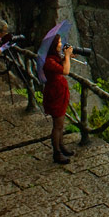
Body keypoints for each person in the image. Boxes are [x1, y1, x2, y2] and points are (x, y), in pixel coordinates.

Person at [43, 35, 74, 164]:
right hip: (55, 94)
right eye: (59, 42)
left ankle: (61, 146)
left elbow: (61, 66)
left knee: (60, 124)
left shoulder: (52, 58)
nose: (61, 44)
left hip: (59, 92)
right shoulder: (49, 61)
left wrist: (67, 58)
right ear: (53, 45)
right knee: (58, 125)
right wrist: (66, 56)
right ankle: (57, 153)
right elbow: (65, 71)